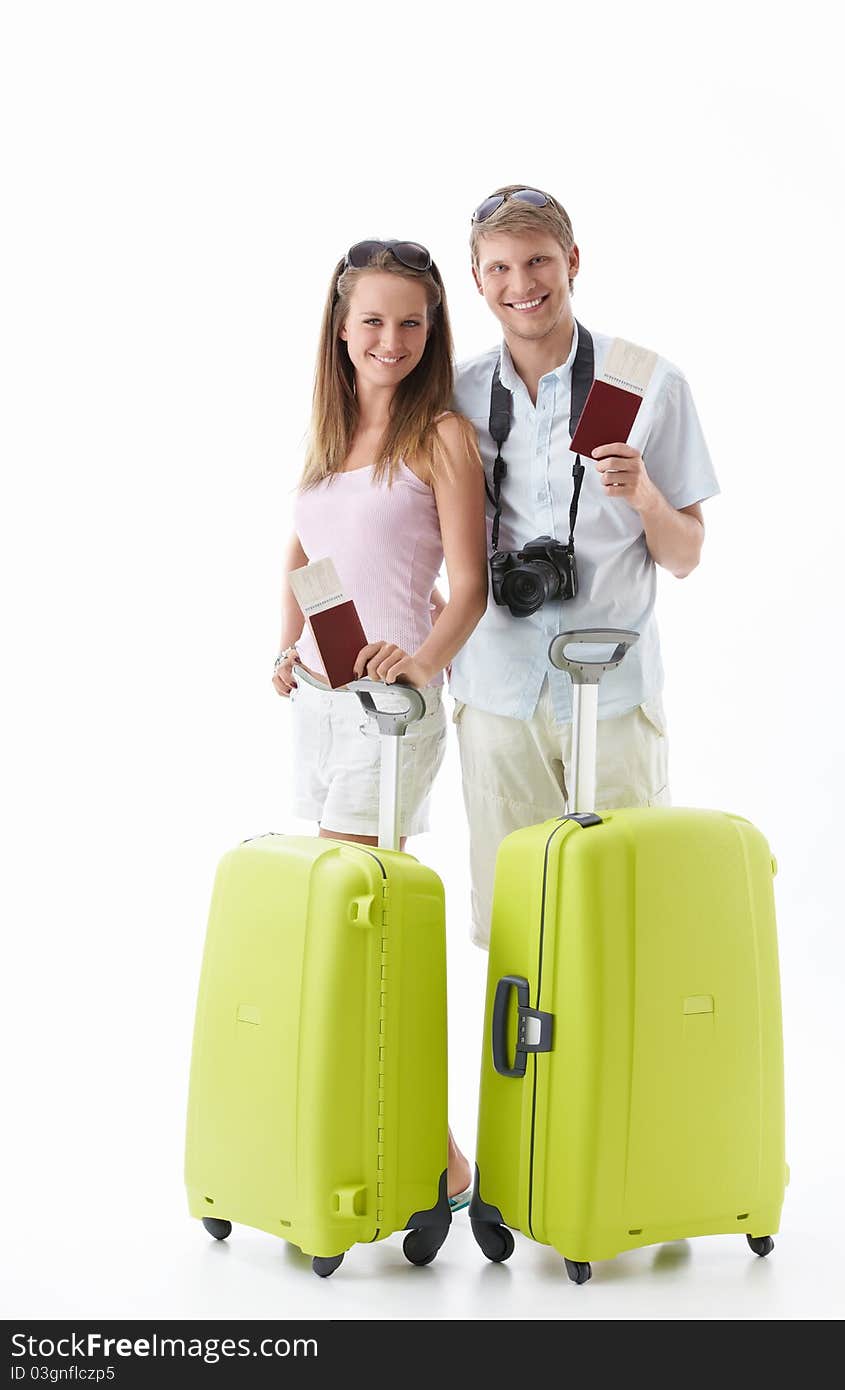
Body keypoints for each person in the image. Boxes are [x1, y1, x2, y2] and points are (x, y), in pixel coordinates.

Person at [272, 239, 487, 1206]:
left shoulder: (439, 434)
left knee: (357, 921)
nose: (392, 339)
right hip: (320, 703)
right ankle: (406, 1148)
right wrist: (286, 645)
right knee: (354, 923)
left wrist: (422, 661)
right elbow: (304, 546)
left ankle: (437, 1161)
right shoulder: (328, 436)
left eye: (412, 321)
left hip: (392, 713)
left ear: (432, 327)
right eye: (374, 321)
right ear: (340, 325)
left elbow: (471, 588)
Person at [451, 186, 720, 949]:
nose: (521, 284)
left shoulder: (647, 382)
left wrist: (645, 497)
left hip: (613, 690)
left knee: (629, 920)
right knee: (516, 924)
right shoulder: (456, 393)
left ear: (572, 261)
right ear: (476, 278)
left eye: (538, 260)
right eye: (499, 267)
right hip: (498, 691)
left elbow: (688, 555)